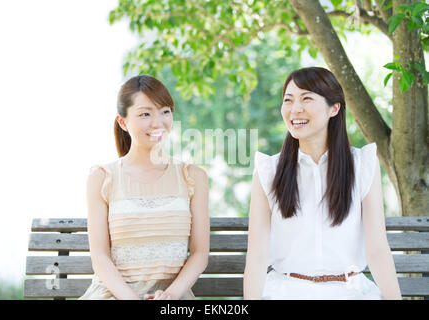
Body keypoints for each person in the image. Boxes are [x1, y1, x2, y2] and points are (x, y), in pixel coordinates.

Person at [243, 67, 401, 300]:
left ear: (334, 108)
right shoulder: (269, 170)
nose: (295, 108)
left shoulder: (362, 165)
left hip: (351, 292)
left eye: (306, 98)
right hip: (286, 291)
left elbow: (377, 249)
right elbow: (257, 254)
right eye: (288, 100)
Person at [79, 75, 209, 300]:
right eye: (145, 114)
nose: (157, 122)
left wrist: (170, 295)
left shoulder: (193, 177)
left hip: (172, 298)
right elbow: (100, 257)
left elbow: (199, 254)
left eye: (165, 111)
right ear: (123, 122)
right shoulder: (101, 178)